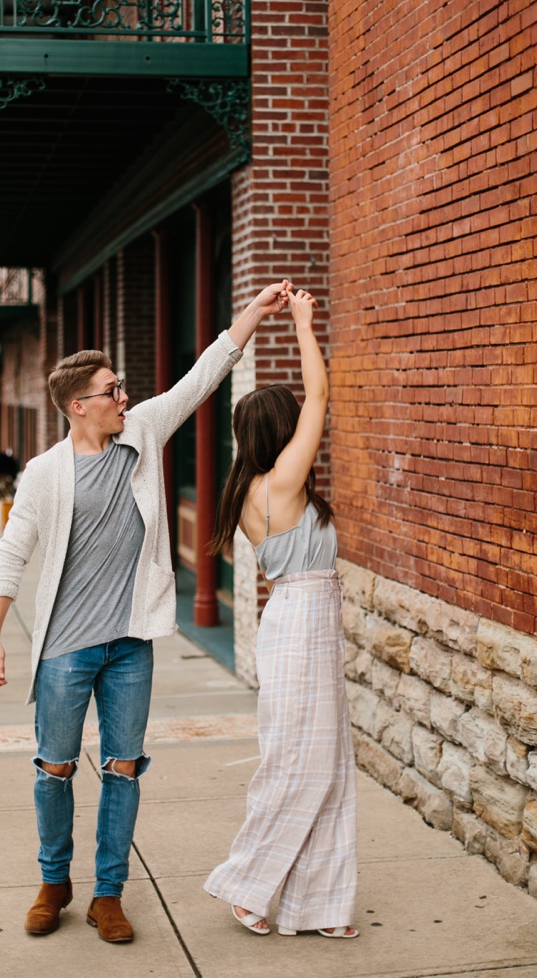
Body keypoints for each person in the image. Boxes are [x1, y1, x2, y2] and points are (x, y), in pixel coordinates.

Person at [0, 281, 292, 943]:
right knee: (55, 768)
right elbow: (11, 550)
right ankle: (53, 880)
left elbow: (203, 375)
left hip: (129, 643)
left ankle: (108, 893)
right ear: (78, 406)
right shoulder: (44, 472)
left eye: (123, 389)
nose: (125, 397)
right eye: (113, 391)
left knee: (123, 767)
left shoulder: (143, 433)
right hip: (65, 646)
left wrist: (255, 314)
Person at [203, 286, 358, 939]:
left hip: (305, 622)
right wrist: (301, 321)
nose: (304, 428)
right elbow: (321, 397)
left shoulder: (248, 485)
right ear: (281, 431)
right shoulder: (278, 485)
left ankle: (319, 904)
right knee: (302, 761)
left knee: (328, 762)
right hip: (298, 622)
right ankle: (248, 884)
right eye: (292, 423)